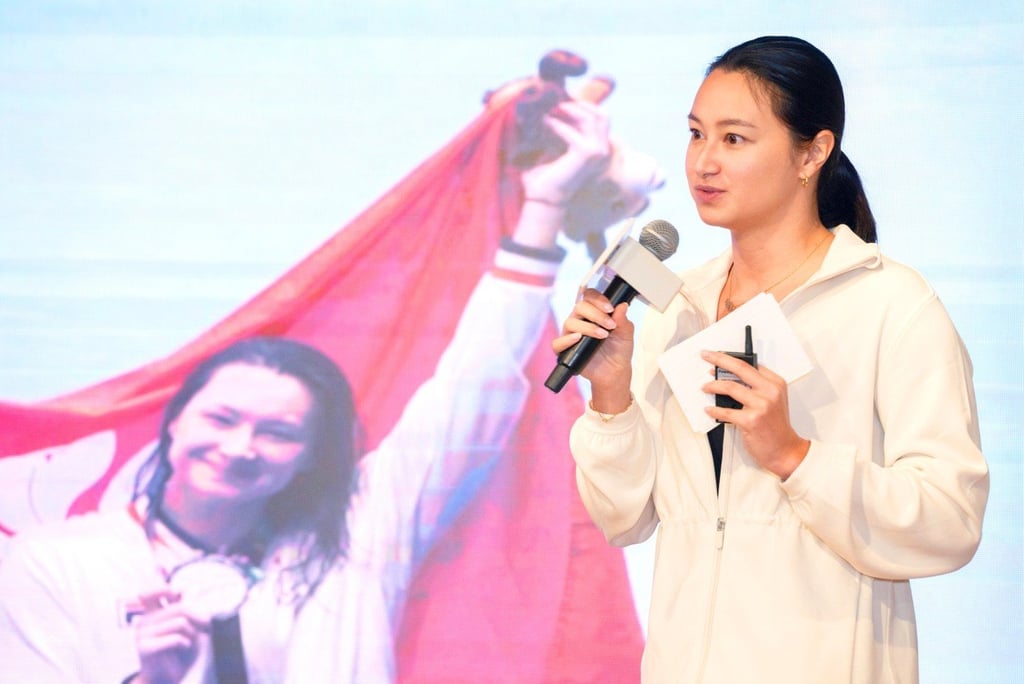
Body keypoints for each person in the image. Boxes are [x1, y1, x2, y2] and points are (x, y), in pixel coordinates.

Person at [0, 97, 655, 683]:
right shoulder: (52, 563)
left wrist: (539, 207)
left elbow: (472, 388)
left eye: (278, 433)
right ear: (174, 422)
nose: (240, 446)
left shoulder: (357, 536)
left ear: (312, 455)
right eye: (221, 417)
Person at [555, 35, 989, 683]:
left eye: (734, 139)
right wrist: (611, 396)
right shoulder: (682, 306)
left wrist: (794, 454)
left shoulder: (889, 303)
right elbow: (624, 517)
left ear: (812, 152)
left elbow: (949, 521)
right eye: (697, 134)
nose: (704, 162)